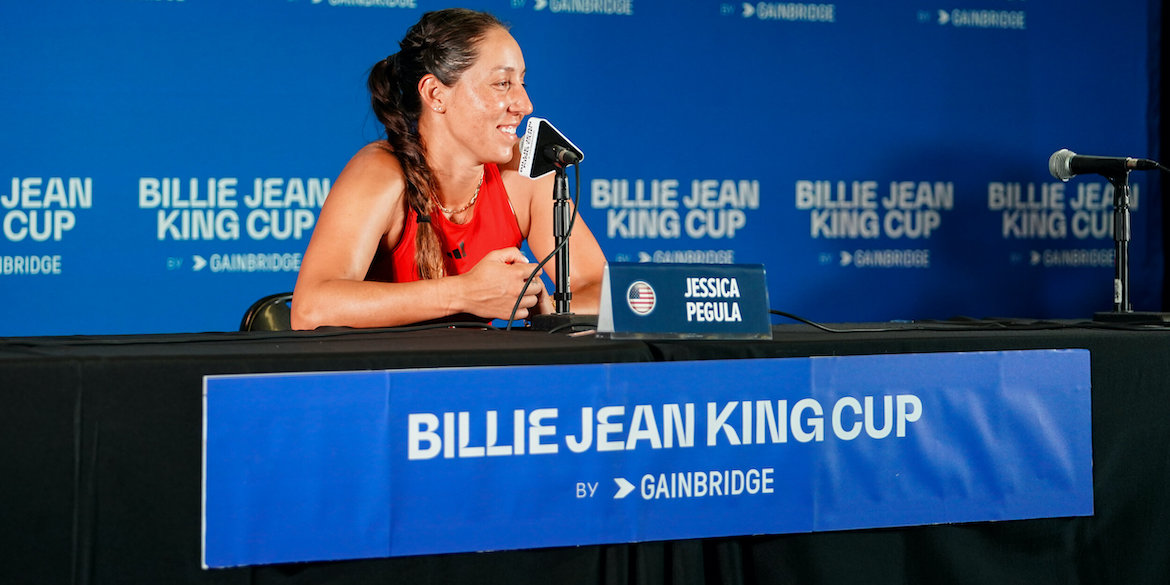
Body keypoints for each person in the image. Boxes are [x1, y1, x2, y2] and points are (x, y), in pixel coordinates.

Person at [291, 8, 605, 330]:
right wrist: (464, 293)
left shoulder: (523, 175)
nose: (525, 104)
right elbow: (311, 309)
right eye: (502, 83)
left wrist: (549, 308)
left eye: (521, 82)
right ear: (435, 94)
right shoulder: (382, 172)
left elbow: (604, 292)